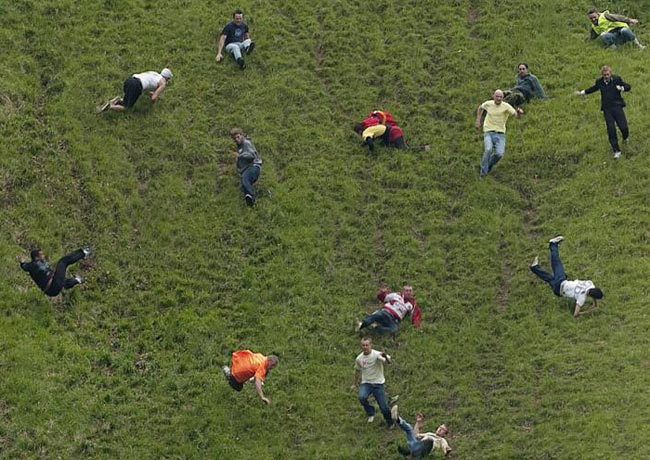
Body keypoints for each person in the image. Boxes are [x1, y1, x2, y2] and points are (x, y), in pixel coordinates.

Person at [530, 236, 604, 317]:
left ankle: (552, 245)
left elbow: (592, 292)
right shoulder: (581, 298)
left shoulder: (590, 283)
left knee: (556, 264)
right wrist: (587, 312)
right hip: (558, 290)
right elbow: (576, 314)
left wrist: (594, 304)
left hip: (562, 282)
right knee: (549, 276)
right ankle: (535, 266)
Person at [574, 65, 631, 159]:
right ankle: (616, 150)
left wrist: (622, 88)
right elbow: (593, 89)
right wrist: (581, 92)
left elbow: (628, 86)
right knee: (611, 128)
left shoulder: (616, 79)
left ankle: (625, 137)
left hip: (617, 106)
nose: (606, 76)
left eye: (608, 74)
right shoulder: (600, 82)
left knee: (623, 126)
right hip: (607, 108)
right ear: (602, 75)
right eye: (604, 75)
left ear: (610, 73)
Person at [475, 89, 523, 177]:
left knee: (499, 154)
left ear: (503, 98)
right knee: (488, 149)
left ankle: (488, 165)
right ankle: (483, 173)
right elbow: (481, 108)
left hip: (500, 134)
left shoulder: (506, 106)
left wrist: (519, 113)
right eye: (497, 96)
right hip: (488, 131)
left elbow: (516, 115)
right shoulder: (488, 104)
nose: (499, 99)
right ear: (494, 96)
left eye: (501, 97)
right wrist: (478, 120)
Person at [351, 337, 394, 427]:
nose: (365, 347)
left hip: (378, 383)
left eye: (367, 345)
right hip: (366, 383)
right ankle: (371, 412)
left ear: (371, 345)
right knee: (362, 397)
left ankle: (390, 422)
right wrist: (354, 384)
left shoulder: (377, 355)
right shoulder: (359, 358)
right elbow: (357, 371)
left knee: (383, 407)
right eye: (363, 345)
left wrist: (385, 356)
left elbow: (388, 362)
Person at [19, 246, 91, 297]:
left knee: (62, 282)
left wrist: (22, 263)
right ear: (37, 257)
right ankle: (84, 252)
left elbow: (25, 267)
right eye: (41, 254)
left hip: (51, 292)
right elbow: (25, 267)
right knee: (63, 262)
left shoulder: (36, 265)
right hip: (53, 284)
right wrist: (22, 262)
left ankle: (77, 280)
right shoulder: (35, 264)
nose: (43, 256)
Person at [99, 68, 172, 113]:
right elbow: (153, 98)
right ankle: (110, 107)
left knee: (127, 99)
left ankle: (117, 100)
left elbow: (149, 82)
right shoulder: (163, 83)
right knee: (127, 107)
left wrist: (152, 92)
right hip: (136, 85)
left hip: (130, 79)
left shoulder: (154, 74)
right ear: (168, 78)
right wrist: (153, 104)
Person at [230, 127, 262, 206]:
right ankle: (252, 201)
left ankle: (252, 197)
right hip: (246, 169)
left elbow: (251, 156)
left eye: (238, 137)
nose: (237, 139)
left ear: (241, 135)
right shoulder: (239, 147)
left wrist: (240, 156)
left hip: (253, 166)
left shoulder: (246, 143)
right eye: (235, 138)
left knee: (245, 179)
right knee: (244, 185)